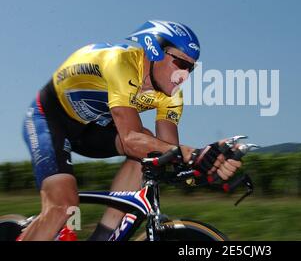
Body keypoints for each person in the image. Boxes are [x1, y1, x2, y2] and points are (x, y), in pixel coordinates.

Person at [21, 20, 242, 241]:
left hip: (93, 129)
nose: (185, 75)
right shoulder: (121, 63)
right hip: (50, 119)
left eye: (191, 68)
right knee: (63, 205)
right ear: (155, 50)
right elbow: (129, 139)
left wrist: (209, 165)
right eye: (180, 63)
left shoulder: (172, 95)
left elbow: (170, 152)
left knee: (151, 150)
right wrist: (192, 154)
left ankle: (103, 236)